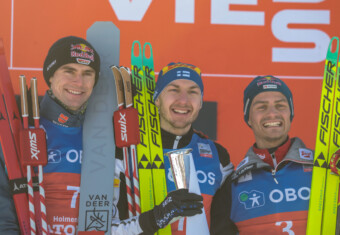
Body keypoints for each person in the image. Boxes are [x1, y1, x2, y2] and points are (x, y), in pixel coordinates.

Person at [111, 62, 234, 234]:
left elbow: (226, 226)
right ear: (157, 99)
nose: (183, 100)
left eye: (193, 92)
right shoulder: (126, 152)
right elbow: (107, 230)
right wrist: (154, 218)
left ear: (200, 103)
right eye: (174, 90)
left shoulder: (218, 157)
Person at [0, 35, 101, 234]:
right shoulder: (18, 130)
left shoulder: (105, 134)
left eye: (87, 73)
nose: (78, 82)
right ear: (51, 75)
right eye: (69, 71)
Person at [211, 75, 314, 234]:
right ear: (249, 118)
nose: (272, 114)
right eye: (261, 107)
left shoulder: (324, 168)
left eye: (280, 105)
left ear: (290, 113)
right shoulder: (232, 186)